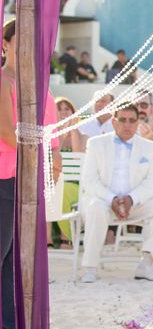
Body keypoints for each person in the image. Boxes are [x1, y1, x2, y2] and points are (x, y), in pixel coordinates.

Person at [1, 19, 61, 326]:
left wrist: (52, 162)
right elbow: (6, 132)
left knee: (14, 263)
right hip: (5, 179)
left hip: (27, 182)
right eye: (19, 41)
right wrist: (38, 147)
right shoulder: (3, 81)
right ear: (5, 44)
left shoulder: (38, 88)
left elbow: (52, 135)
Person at [79, 103, 153, 283]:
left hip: (135, 204)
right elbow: (89, 180)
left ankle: (147, 264)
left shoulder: (149, 147)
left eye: (132, 120)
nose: (127, 125)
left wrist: (132, 199)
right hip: (103, 202)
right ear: (114, 122)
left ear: (138, 122)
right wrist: (112, 199)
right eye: (122, 120)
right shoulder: (96, 144)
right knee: (95, 207)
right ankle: (90, 267)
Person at [53, 97, 86, 248]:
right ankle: (47, 240)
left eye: (67, 109)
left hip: (76, 185)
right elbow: (53, 155)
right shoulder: (51, 137)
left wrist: (72, 130)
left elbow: (78, 155)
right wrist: (60, 134)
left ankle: (66, 237)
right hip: (54, 181)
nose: (63, 112)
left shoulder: (84, 137)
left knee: (62, 189)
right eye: (59, 109)